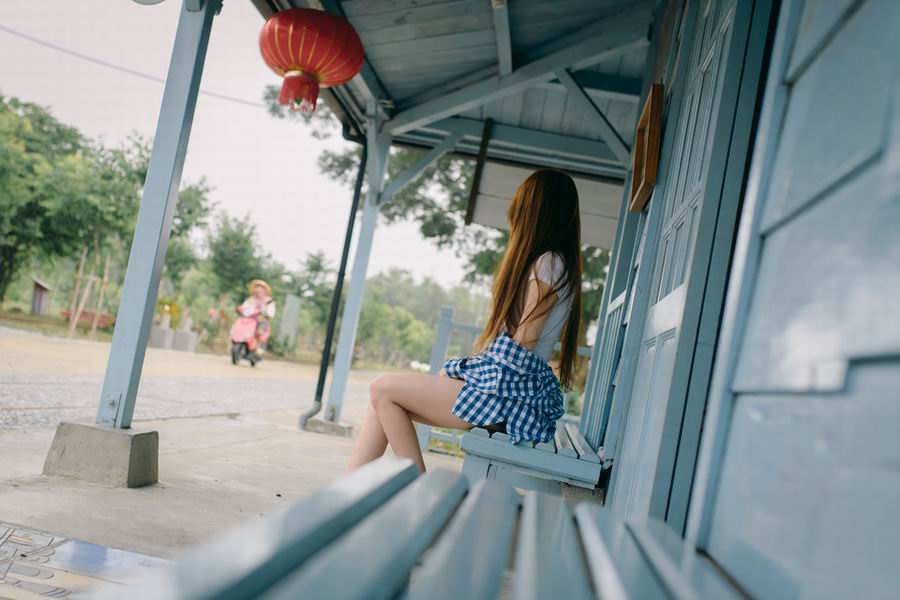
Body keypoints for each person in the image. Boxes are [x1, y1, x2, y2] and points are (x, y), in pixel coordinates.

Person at [347, 169, 582, 474]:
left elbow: (521, 350)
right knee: (382, 400)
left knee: (383, 389)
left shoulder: (549, 262)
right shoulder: (555, 262)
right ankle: (343, 496)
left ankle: (418, 491)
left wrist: (467, 371)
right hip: (508, 392)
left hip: (507, 398)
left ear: (536, 211)